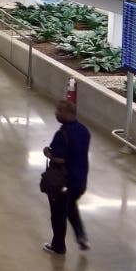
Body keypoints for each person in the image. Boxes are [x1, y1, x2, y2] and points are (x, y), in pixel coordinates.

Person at [42, 100, 91, 255]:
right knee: (70, 207)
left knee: (58, 214)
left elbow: (59, 158)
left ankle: (58, 246)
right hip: (80, 181)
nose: (56, 113)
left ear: (70, 113)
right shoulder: (84, 131)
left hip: (63, 182)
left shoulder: (62, 134)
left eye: (60, 110)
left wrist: (48, 153)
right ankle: (81, 237)